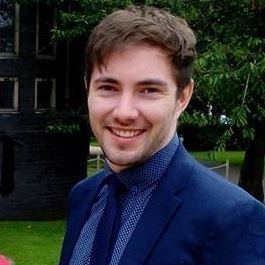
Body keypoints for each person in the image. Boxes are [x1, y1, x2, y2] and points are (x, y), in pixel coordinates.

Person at [59, 5, 265, 265]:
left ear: (183, 97)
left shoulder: (233, 217)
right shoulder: (83, 196)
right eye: (108, 87)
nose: (124, 112)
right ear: (88, 88)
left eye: (148, 90)